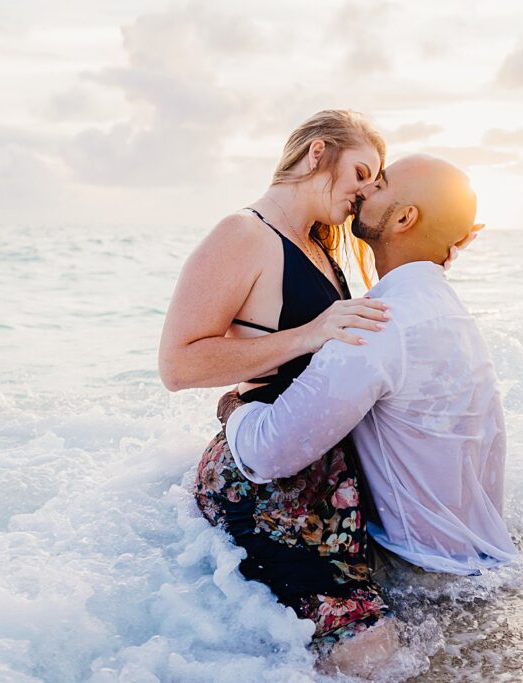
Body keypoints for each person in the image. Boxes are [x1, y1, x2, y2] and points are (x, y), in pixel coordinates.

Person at [159, 110, 398, 668]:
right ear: (318, 153)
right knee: (370, 651)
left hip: (318, 474)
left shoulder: (320, 243)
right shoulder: (243, 234)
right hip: (263, 477)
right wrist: (309, 332)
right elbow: (178, 365)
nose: (365, 191)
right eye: (361, 172)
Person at [221, 155, 518, 584]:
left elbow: (270, 453)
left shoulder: (378, 324)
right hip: (479, 563)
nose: (363, 190)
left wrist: (236, 406)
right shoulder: (445, 309)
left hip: (424, 578)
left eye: (379, 185)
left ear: (404, 218)